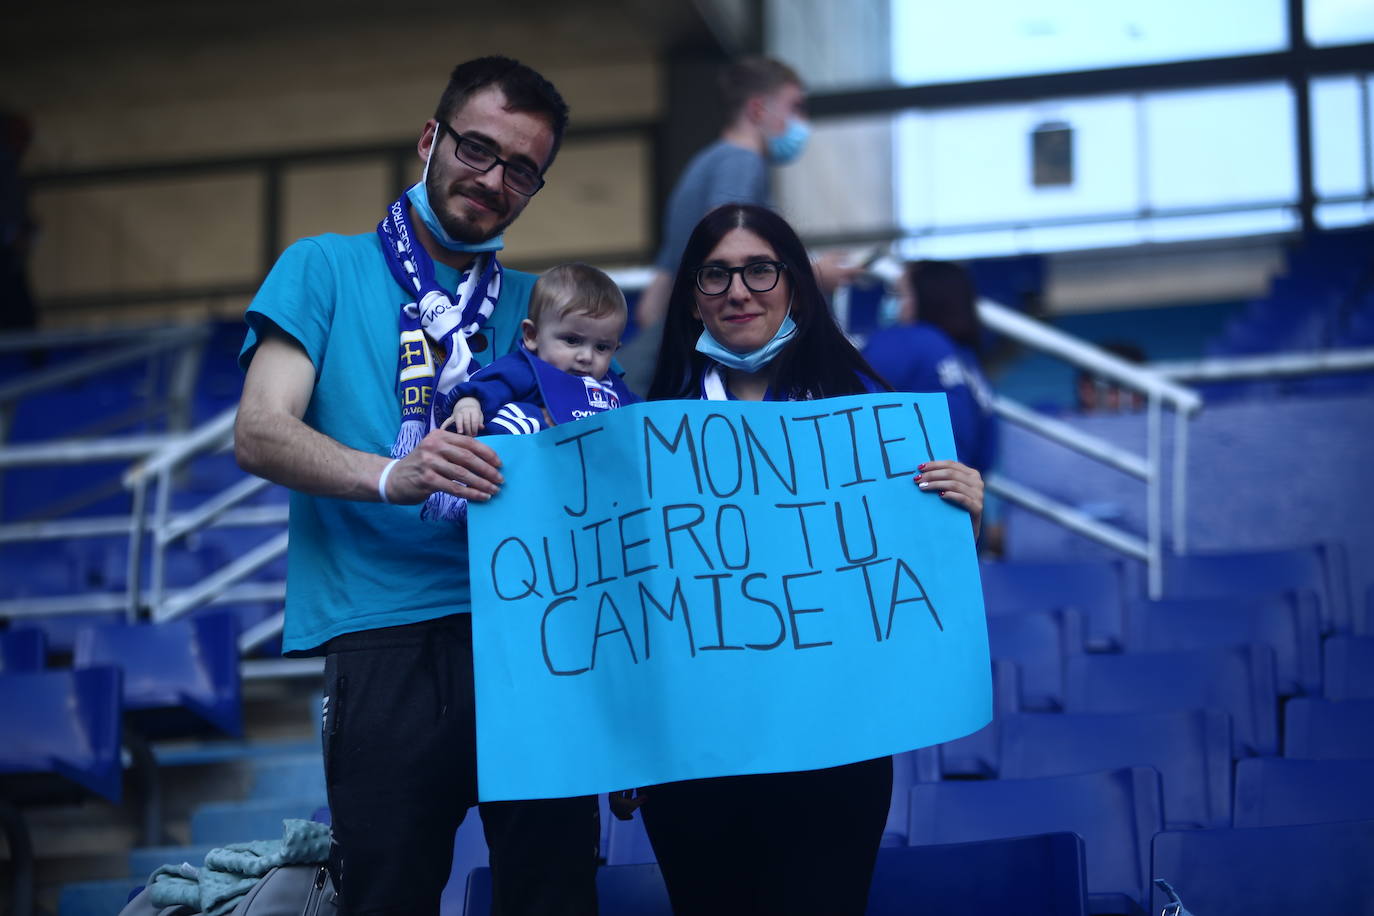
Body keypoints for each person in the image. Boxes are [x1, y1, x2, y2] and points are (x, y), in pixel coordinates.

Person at [233, 57, 598, 916]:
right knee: (388, 895)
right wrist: (395, 474)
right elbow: (259, 430)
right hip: (382, 633)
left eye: (522, 170)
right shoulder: (322, 268)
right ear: (432, 139)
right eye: (478, 148)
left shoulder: (543, 310)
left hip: (525, 636)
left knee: (555, 895)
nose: (494, 179)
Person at [632, 203, 984, 915]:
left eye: (760, 269)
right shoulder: (644, 430)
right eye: (716, 273)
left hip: (837, 752)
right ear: (692, 296)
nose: (738, 290)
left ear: (795, 283)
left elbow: (909, 573)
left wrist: (962, 517)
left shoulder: (867, 416)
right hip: (695, 759)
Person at [619, 56, 855, 391]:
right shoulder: (741, 163)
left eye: (759, 271)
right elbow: (729, 241)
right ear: (758, 110)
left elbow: (651, 304)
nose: (801, 121)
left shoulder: (705, 162)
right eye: (795, 107)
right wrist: (812, 275)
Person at [445, 261, 639, 438]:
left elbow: (647, 415)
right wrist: (469, 406)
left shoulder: (611, 388)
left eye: (602, 347)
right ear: (531, 335)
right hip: (523, 459)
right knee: (524, 419)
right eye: (572, 340)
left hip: (588, 468)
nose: (586, 357)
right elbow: (484, 389)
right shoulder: (526, 371)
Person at [862, 260, 998, 474]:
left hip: (914, 489)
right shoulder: (968, 361)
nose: (891, 302)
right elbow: (986, 454)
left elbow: (844, 394)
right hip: (961, 492)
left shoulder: (908, 340)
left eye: (899, 294)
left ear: (926, 299)